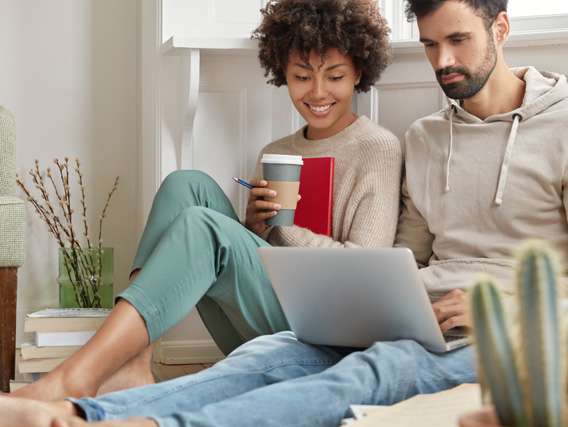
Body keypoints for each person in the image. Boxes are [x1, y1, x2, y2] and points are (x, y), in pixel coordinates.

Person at [1, 0, 568, 425]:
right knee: (266, 352)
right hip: (417, 314)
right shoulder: (428, 137)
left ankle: (98, 409)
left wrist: (507, 306)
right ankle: (88, 405)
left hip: (501, 323)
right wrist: (384, 298)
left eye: (459, 40)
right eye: (429, 43)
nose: (441, 59)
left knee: (354, 373)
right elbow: (410, 258)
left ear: (501, 28)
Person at [11, 0, 401, 403]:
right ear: (282, 72)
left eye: (334, 76)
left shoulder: (377, 147)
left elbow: (363, 272)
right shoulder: (277, 149)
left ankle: (76, 376)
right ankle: (132, 363)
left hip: (329, 341)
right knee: (186, 184)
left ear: (358, 71)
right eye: (301, 76)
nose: (317, 92)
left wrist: (281, 228)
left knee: (203, 226)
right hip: (272, 322)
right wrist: (255, 228)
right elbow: (259, 262)